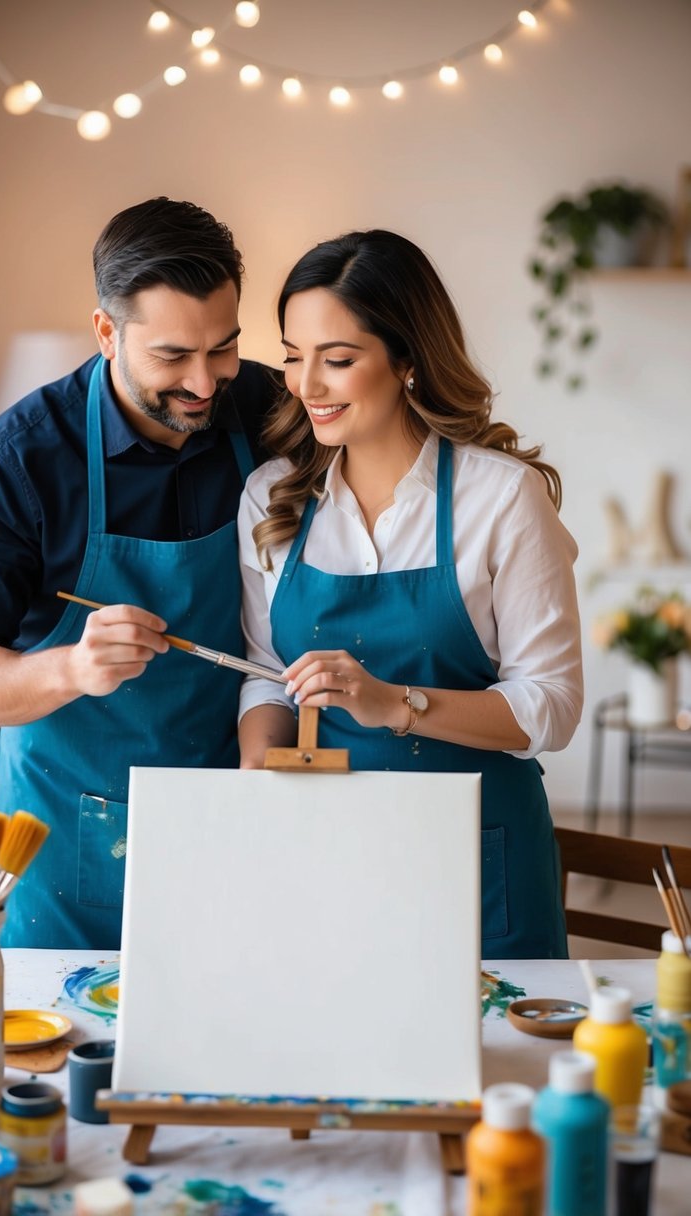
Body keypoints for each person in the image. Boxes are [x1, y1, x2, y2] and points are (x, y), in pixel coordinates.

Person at [0, 197, 278, 949]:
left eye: (222, 348)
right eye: (172, 357)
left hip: (236, 816)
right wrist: (71, 667)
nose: (206, 383)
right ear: (105, 331)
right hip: (65, 850)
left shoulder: (266, 408)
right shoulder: (20, 458)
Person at [237, 229, 583, 960]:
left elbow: (550, 707)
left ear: (407, 361)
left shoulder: (502, 499)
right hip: (325, 856)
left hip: (480, 858)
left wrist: (393, 702)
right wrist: (256, 779)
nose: (307, 385)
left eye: (336, 360)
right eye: (294, 357)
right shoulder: (271, 498)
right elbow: (264, 674)